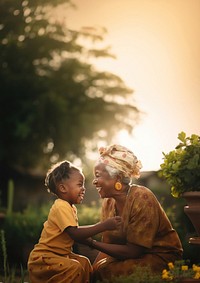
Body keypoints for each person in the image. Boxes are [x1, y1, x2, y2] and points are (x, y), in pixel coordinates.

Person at [86, 144, 183, 282]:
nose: (94, 181)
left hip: (159, 257)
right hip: (129, 257)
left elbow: (134, 251)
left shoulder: (142, 197)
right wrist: (91, 272)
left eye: (98, 175)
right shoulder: (108, 203)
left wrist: (91, 243)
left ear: (118, 178)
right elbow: (107, 245)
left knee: (108, 272)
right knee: (97, 270)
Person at [27, 160, 122, 283]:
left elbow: (76, 235)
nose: (83, 189)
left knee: (85, 263)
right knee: (75, 267)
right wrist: (104, 226)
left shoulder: (70, 207)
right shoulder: (61, 206)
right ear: (63, 188)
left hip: (60, 256)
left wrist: (93, 242)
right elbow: (75, 233)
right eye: (79, 184)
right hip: (46, 257)